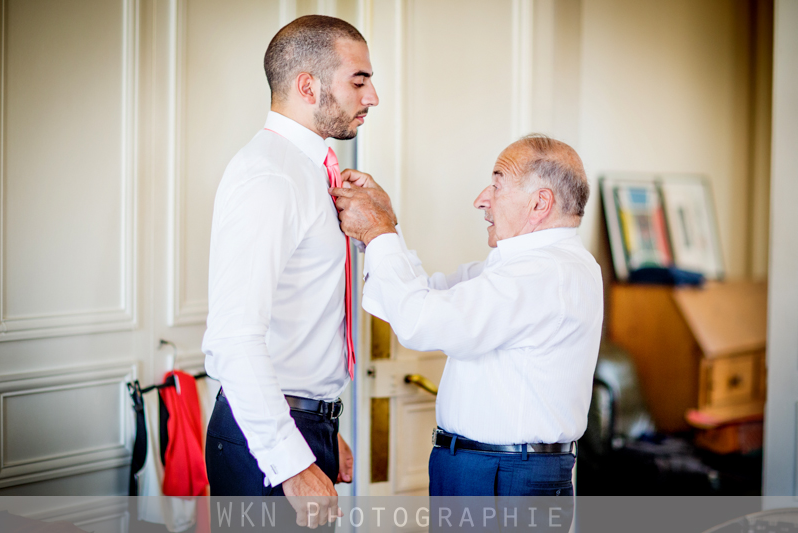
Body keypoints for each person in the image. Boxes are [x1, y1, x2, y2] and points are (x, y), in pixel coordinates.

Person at [331, 134, 603, 498]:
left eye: (497, 185)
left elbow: (420, 320)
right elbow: (430, 294)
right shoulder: (530, 268)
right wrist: (386, 228)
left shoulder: (542, 274)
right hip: (490, 469)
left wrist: (379, 230)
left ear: (540, 203)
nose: (481, 200)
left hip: (502, 476)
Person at [201, 14, 378, 527]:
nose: (372, 97)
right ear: (308, 85)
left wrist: (323, 428)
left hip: (301, 424)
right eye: (359, 80)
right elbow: (234, 337)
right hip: (270, 444)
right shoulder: (270, 176)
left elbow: (300, 318)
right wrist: (292, 461)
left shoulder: (310, 169)